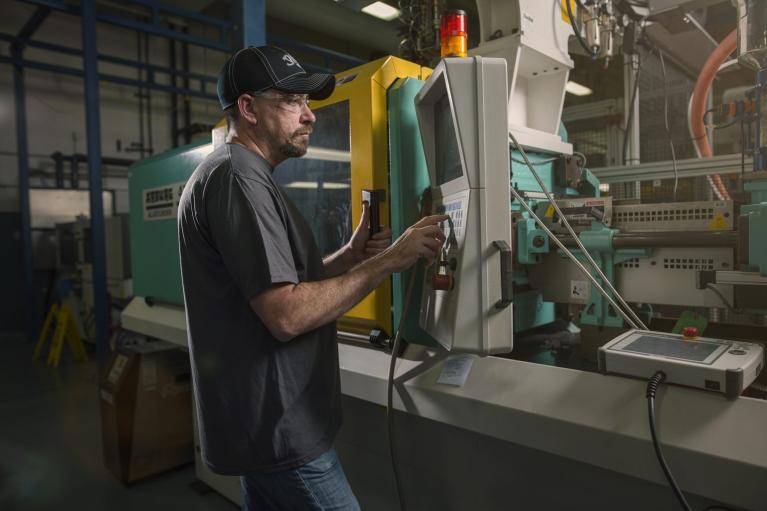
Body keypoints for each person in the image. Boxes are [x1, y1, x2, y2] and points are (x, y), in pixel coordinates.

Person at [177, 45, 448, 511]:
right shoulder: (239, 179)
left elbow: (281, 282)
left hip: (266, 426)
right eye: (292, 102)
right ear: (249, 109)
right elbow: (286, 314)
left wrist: (351, 254)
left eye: (309, 103)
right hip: (280, 431)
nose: (310, 117)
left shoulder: (242, 175)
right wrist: (388, 261)